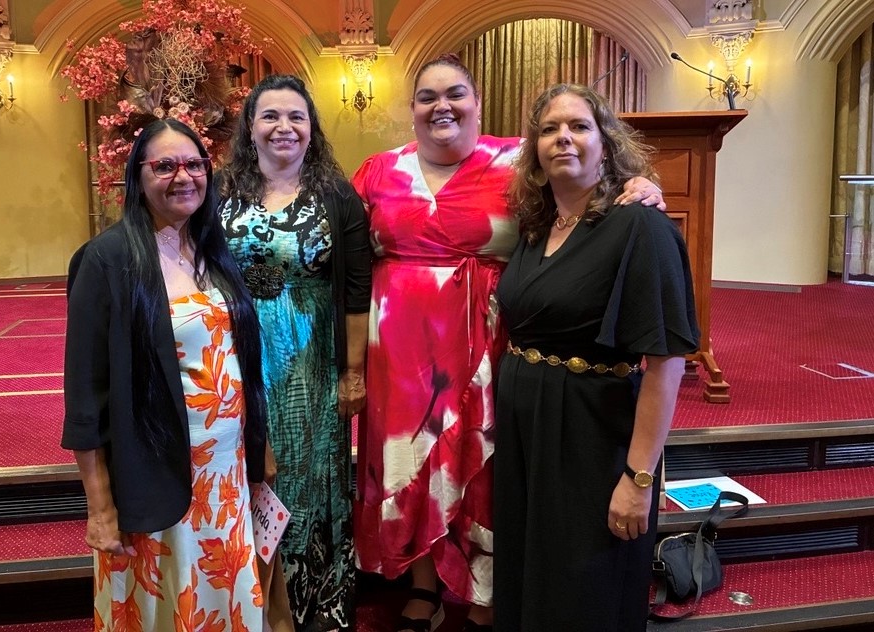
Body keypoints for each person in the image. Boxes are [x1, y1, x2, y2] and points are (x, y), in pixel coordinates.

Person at [350, 54, 665, 632]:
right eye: (427, 96)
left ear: (477, 103)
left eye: (456, 93)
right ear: (412, 108)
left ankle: (489, 587)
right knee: (412, 458)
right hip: (400, 346)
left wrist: (642, 183)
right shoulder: (377, 170)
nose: (441, 105)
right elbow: (348, 248)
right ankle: (424, 583)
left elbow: (588, 187)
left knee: (484, 459)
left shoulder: (516, 160)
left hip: (491, 340)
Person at [493, 83, 700, 631]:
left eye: (579, 126)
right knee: (530, 569)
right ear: (533, 151)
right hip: (527, 430)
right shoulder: (537, 227)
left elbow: (666, 363)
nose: (563, 138)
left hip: (592, 431)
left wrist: (638, 479)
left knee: (585, 584)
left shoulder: (640, 225)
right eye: (548, 129)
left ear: (605, 144)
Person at [62, 118, 268, 631]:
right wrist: (100, 507)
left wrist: (258, 449)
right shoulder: (106, 260)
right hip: (155, 469)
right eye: (166, 166)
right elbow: (86, 396)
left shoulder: (211, 251)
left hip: (224, 476)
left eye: (195, 164)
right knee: (167, 602)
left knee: (220, 596)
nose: (184, 176)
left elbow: (241, 360)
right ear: (138, 176)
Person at [218, 74, 371, 632]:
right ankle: (248, 596)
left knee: (307, 480)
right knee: (241, 471)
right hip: (236, 356)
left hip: (310, 360)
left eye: (296, 117)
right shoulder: (219, 190)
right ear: (250, 128)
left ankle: (311, 606)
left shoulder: (336, 194)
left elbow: (358, 291)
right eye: (271, 117)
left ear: (311, 130)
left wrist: (353, 373)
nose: (284, 127)